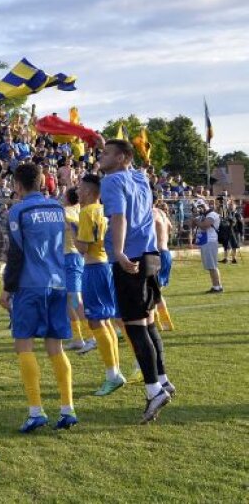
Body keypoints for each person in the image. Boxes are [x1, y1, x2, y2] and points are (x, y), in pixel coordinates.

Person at [98, 138, 175, 423]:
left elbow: (119, 217)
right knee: (149, 323)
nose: (100, 157)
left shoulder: (112, 181)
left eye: (106, 153)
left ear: (121, 158)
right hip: (150, 255)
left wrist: (117, 251)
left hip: (129, 258)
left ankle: (154, 389)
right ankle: (163, 380)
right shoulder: (141, 177)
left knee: (135, 328)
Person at [0, 163, 77, 433]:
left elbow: (16, 253)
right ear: (42, 180)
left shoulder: (18, 211)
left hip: (30, 285)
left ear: (18, 185)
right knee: (55, 348)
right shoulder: (57, 208)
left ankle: (36, 411)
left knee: (24, 346)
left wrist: (7, 288)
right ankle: (67, 409)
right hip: (57, 283)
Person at [75, 174, 125, 396]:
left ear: (87, 191)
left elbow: (83, 247)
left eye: (79, 188)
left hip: (94, 268)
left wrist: (71, 230)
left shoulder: (86, 212)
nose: (77, 191)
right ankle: (115, 371)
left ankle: (112, 375)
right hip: (105, 266)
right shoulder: (103, 210)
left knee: (96, 321)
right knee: (106, 321)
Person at [61, 187, 94, 353]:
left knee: (75, 297)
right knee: (68, 300)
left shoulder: (66, 212)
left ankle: (90, 336)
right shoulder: (75, 210)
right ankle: (78, 338)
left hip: (72, 257)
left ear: (67, 198)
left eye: (63, 195)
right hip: (66, 258)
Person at [152, 200, 175, 331]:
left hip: (158, 254)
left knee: (152, 291)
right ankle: (166, 323)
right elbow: (171, 227)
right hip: (165, 252)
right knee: (157, 291)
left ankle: (157, 323)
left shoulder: (152, 213)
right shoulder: (162, 213)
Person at [196, 201, 222, 293]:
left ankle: (217, 287)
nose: (200, 208)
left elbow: (204, 226)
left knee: (212, 265)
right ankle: (216, 286)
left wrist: (196, 220)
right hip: (206, 241)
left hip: (210, 241)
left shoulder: (212, 214)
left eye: (201, 206)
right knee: (211, 266)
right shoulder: (204, 215)